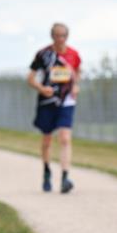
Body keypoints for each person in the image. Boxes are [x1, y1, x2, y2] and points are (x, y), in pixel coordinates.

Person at [27, 22, 81, 193]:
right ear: (52, 36)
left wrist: (75, 86)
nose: (60, 39)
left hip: (66, 101)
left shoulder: (73, 54)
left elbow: (77, 72)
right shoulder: (43, 54)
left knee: (65, 138)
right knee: (47, 140)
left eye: (63, 36)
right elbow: (30, 78)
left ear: (67, 36)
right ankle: (47, 171)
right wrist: (41, 88)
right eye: (57, 36)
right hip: (48, 101)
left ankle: (65, 177)